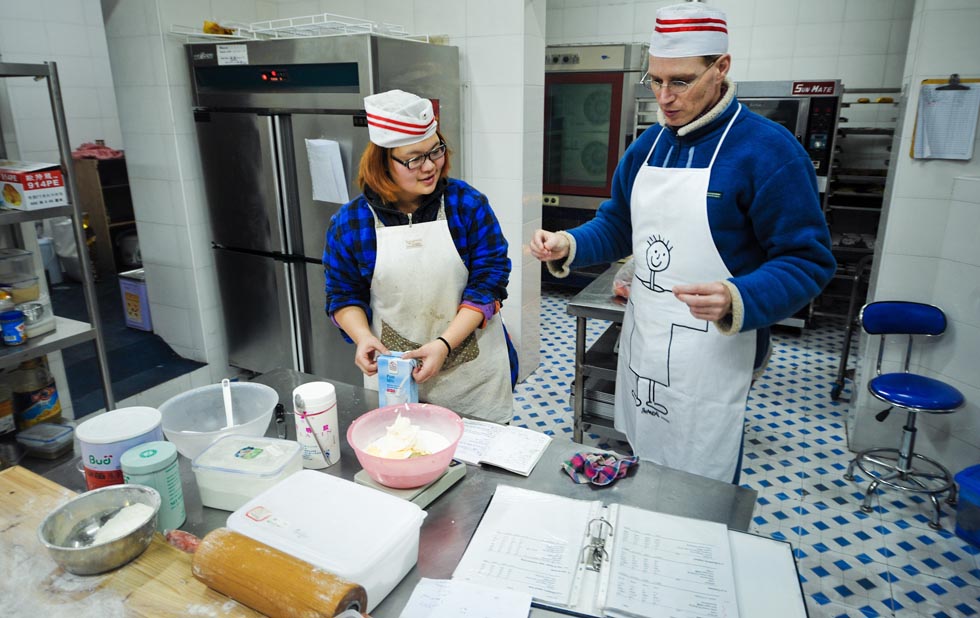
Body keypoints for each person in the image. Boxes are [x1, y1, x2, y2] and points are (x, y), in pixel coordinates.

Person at [530, 3, 835, 483]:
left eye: (681, 82)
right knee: (646, 456)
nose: (664, 98)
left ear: (722, 69)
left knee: (701, 474)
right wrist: (569, 243)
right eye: (655, 81)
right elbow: (618, 225)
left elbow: (808, 260)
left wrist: (741, 296)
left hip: (716, 348)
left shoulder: (767, 151)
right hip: (647, 336)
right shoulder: (648, 145)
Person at [324, 89, 516, 424]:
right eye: (413, 158)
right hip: (395, 379)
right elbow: (343, 294)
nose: (429, 167)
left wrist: (444, 344)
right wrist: (362, 337)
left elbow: (490, 282)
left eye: (435, 151)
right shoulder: (350, 222)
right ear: (382, 162)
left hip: (472, 381)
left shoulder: (466, 205)